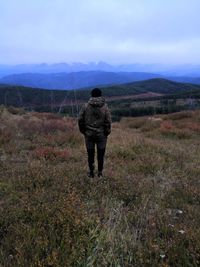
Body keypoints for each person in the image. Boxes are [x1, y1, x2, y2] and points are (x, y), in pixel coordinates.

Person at [78, 88, 111, 178]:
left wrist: (83, 131)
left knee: (90, 154)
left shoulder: (85, 106)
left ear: (91, 95)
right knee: (101, 154)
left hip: (89, 134)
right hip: (101, 135)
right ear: (100, 95)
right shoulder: (105, 106)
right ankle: (100, 173)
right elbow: (108, 121)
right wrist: (107, 132)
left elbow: (80, 119)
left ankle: (91, 173)